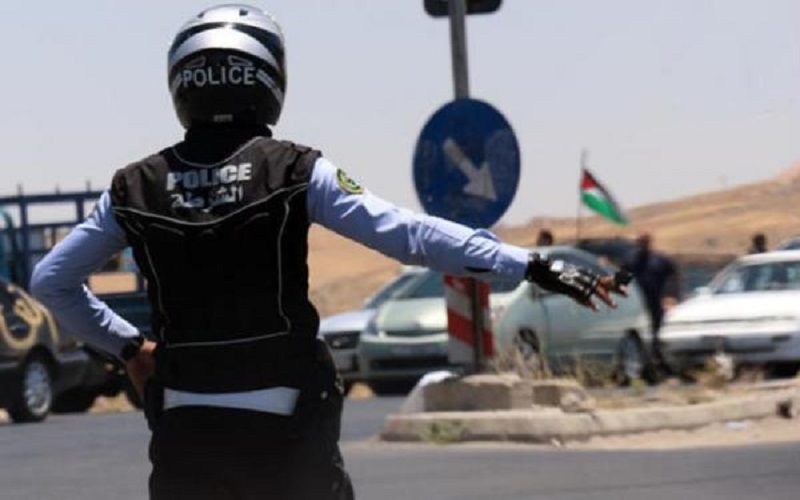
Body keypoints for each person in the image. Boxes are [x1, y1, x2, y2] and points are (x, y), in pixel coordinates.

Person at [30, 5, 626, 499]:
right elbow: (410, 236)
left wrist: (128, 346)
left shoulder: (134, 187)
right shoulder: (295, 170)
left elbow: (52, 280)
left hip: (185, 425)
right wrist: (530, 263)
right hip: (288, 424)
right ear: (267, 79)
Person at [623, 232, 679, 371]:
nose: (643, 244)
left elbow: (673, 278)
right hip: (637, 304)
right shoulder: (630, 260)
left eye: (645, 241)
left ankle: (660, 363)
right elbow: (622, 279)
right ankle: (645, 364)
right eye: (640, 242)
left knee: (657, 332)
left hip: (657, 302)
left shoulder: (660, 260)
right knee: (640, 333)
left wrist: (670, 296)